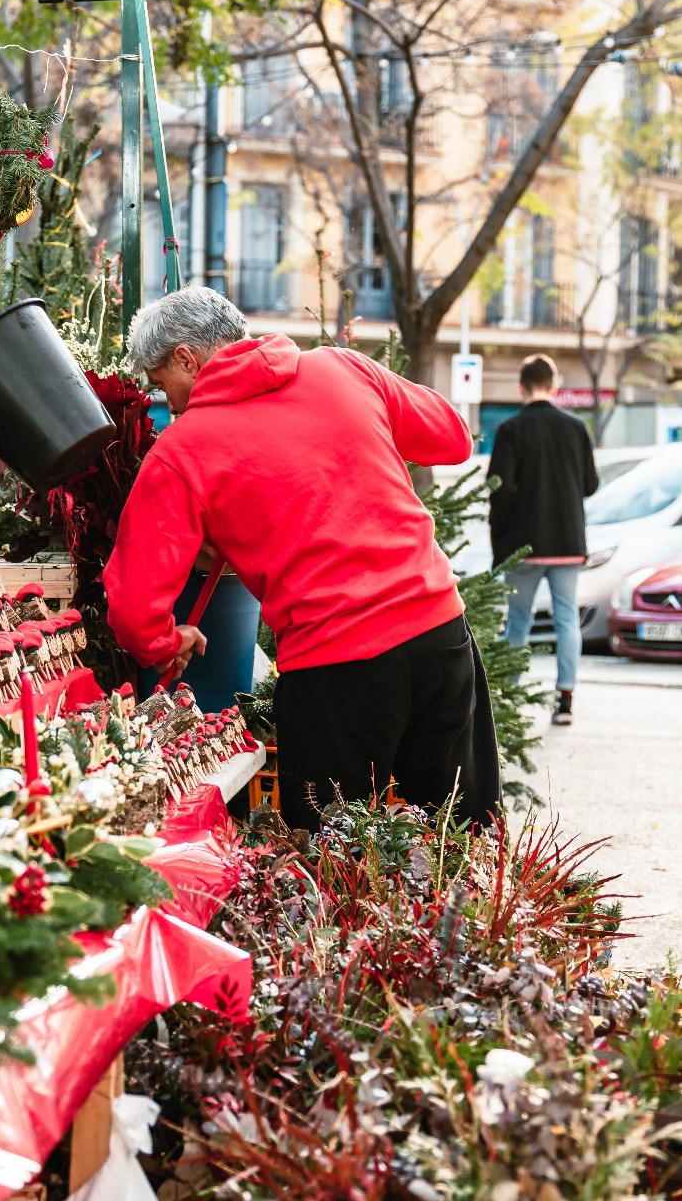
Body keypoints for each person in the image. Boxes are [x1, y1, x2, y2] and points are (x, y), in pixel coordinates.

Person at [102, 287, 497, 830]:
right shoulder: (342, 367)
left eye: (160, 382)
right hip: (439, 634)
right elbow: (451, 438)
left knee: (333, 860)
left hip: (335, 667)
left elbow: (133, 608)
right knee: (461, 837)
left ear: (185, 359)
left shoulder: (181, 450)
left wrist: (168, 642)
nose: (166, 402)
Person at [488, 354, 598, 726]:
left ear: (521, 387)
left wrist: (499, 546)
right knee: (567, 618)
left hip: (523, 546)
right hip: (568, 542)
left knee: (518, 624)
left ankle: (511, 702)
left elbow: (499, 491)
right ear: (554, 386)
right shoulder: (576, 427)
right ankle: (565, 700)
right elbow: (590, 485)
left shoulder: (510, 430)